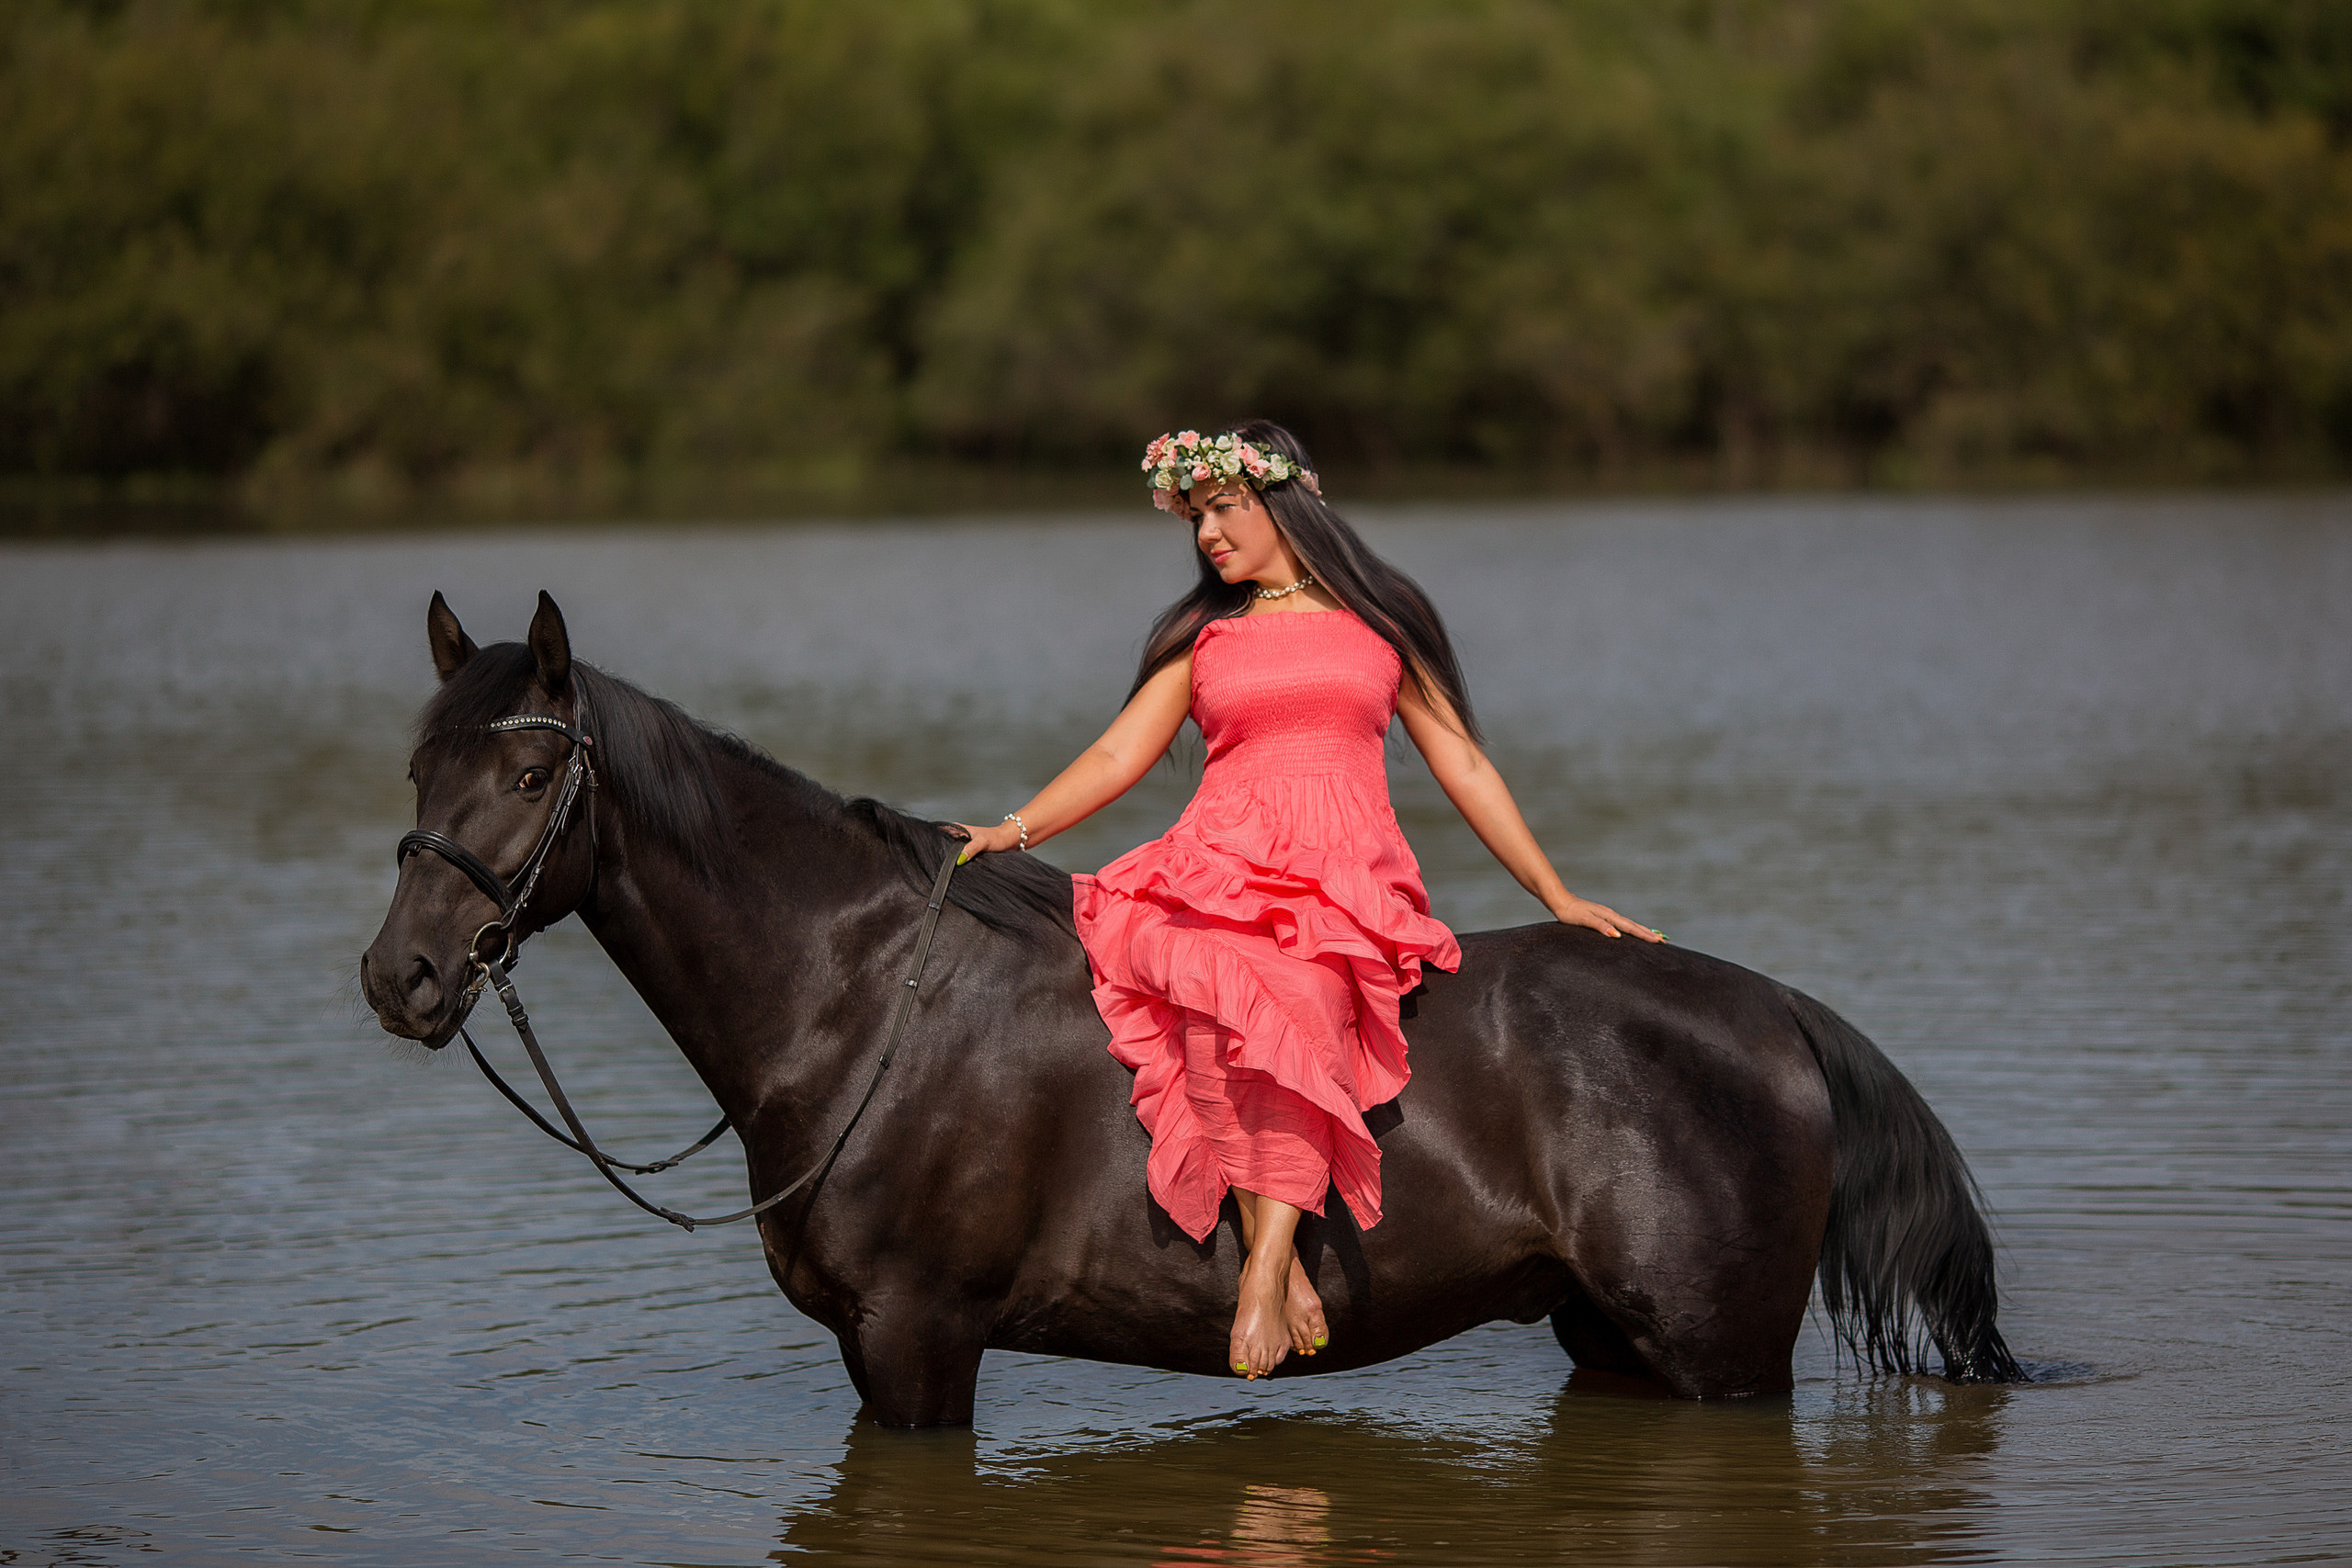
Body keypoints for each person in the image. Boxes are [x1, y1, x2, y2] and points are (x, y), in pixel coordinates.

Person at [954, 421, 1659, 1382]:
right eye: (1194, 518)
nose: (1206, 533)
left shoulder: (1382, 619)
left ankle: (1265, 1267)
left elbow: (1460, 761)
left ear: (1283, 500)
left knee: (1302, 993)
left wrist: (1554, 891)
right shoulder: (1204, 636)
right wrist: (1012, 829)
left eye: (1223, 508)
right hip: (1215, 861)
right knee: (1210, 987)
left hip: (1342, 871)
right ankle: (1275, 1267)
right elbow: (1118, 753)